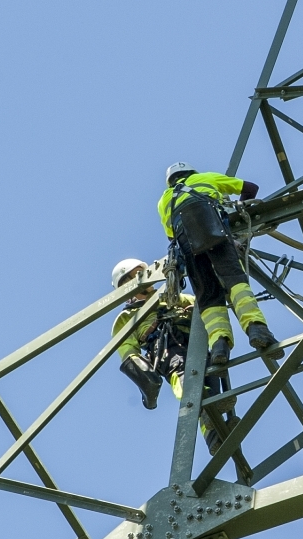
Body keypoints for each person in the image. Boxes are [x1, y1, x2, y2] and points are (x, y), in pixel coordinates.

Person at [158, 164, 282, 363]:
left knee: (208, 296)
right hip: (214, 233)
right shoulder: (207, 178)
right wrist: (241, 209)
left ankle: (219, 346)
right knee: (235, 280)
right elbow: (250, 188)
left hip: (188, 245)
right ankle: (256, 328)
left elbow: (170, 234)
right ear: (191, 172)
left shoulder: (164, 200)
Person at [110, 258, 193, 409]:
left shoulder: (168, 296)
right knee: (183, 376)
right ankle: (195, 405)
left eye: (142, 274)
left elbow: (200, 304)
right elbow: (128, 351)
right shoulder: (127, 317)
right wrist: (146, 377)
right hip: (165, 346)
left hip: (194, 339)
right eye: (137, 275)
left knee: (211, 380)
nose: (144, 278)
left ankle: (211, 429)